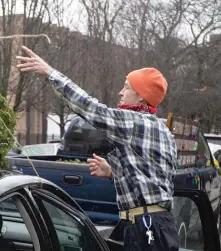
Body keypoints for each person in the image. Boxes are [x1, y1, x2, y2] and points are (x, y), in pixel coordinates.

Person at [17, 46, 178, 250]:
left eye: (126, 87)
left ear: (141, 97)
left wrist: (50, 73)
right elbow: (151, 178)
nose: (120, 92)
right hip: (159, 225)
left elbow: (90, 108)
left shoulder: (133, 123)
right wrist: (113, 172)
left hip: (145, 227)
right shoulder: (163, 131)